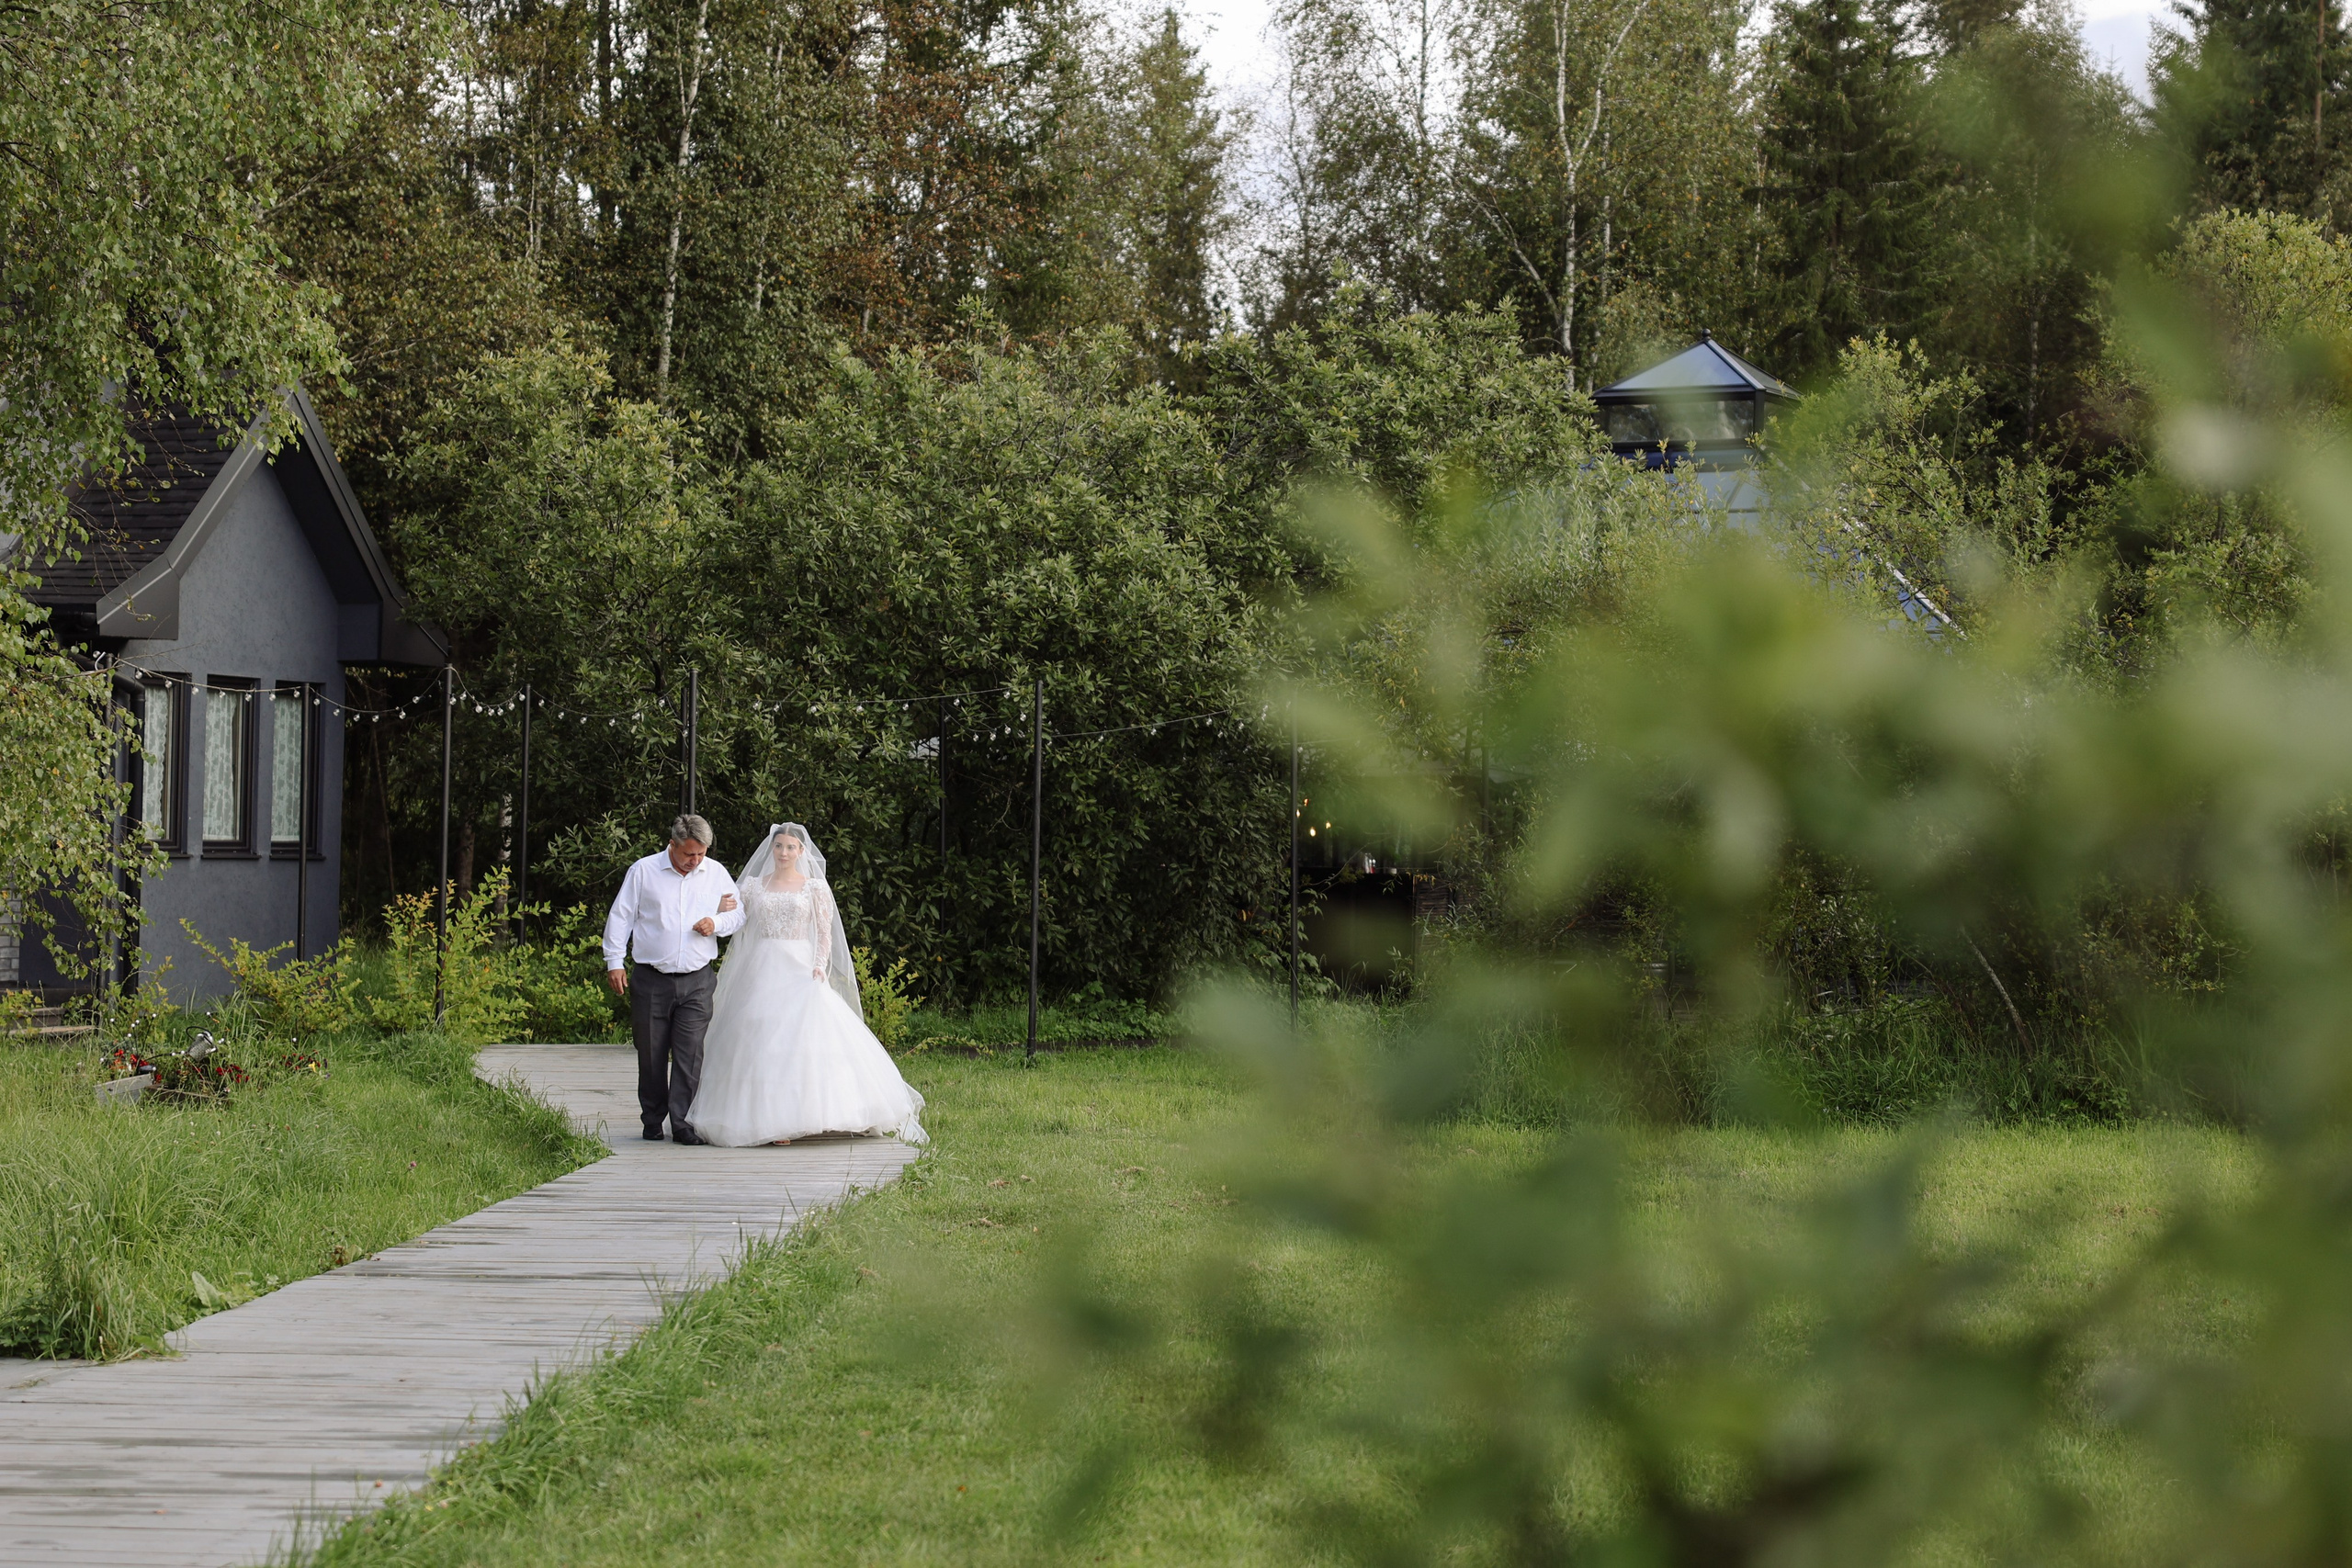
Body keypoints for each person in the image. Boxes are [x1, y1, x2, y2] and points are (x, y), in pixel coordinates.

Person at [686, 823, 927, 1147]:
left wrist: (819, 964)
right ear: (771, 849)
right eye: (779, 846)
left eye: (790, 847)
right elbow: (737, 919)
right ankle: (770, 1120)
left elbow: (824, 931)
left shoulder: (814, 887)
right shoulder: (754, 886)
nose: (784, 852)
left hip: (799, 964)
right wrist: (715, 912)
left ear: (801, 852)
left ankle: (815, 1114)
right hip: (761, 966)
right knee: (760, 1036)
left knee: (805, 1036)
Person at [603, 814, 743, 1144]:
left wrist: (716, 922)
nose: (694, 861)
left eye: (701, 854)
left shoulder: (716, 873)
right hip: (652, 978)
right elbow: (621, 916)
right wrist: (614, 961)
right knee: (651, 1052)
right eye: (688, 854)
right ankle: (652, 1119)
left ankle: (683, 1123)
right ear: (672, 845)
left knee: (690, 1052)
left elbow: (738, 913)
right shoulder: (643, 871)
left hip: (697, 979)